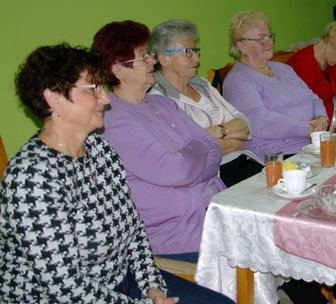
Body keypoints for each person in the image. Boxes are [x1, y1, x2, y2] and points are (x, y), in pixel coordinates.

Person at [0, 43, 233, 303]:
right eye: (93, 89)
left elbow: (133, 229)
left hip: (122, 279)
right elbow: (65, 287)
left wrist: (152, 286)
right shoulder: (31, 178)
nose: (106, 98)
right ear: (53, 98)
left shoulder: (100, 148)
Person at [92, 21, 225, 261]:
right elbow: (175, 169)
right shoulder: (112, 120)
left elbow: (213, 148)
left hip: (211, 213)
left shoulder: (163, 103)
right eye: (143, 57)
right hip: (175, 236)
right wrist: (197, 149)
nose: (152, 61)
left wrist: (191, 168)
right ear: (119, 70)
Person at [148, 19, 257, 187]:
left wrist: (219, 131)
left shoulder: (202, 84)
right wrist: (234, 142)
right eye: (188, 52)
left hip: (245, 161)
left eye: (196, 51)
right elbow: (188, 153)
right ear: (164, 59)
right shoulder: (158, 100)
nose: (197, 59)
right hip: (214, 178)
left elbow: (245, 124)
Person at [223, 10, 328, 164]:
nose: (270, 42)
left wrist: (321, 118)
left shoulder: (284, 69)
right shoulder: (238, 80)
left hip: (311, 147)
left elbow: (313, 97)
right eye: (261, 38)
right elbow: (258, 121)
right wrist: (306, 129)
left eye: (270, 36)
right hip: (277, 158)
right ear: (241, 46)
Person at [287, 18, 336, 120]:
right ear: (334, 41)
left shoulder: (331, 62)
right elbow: (300, 110)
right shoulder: (302, 64)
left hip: (332, 124)